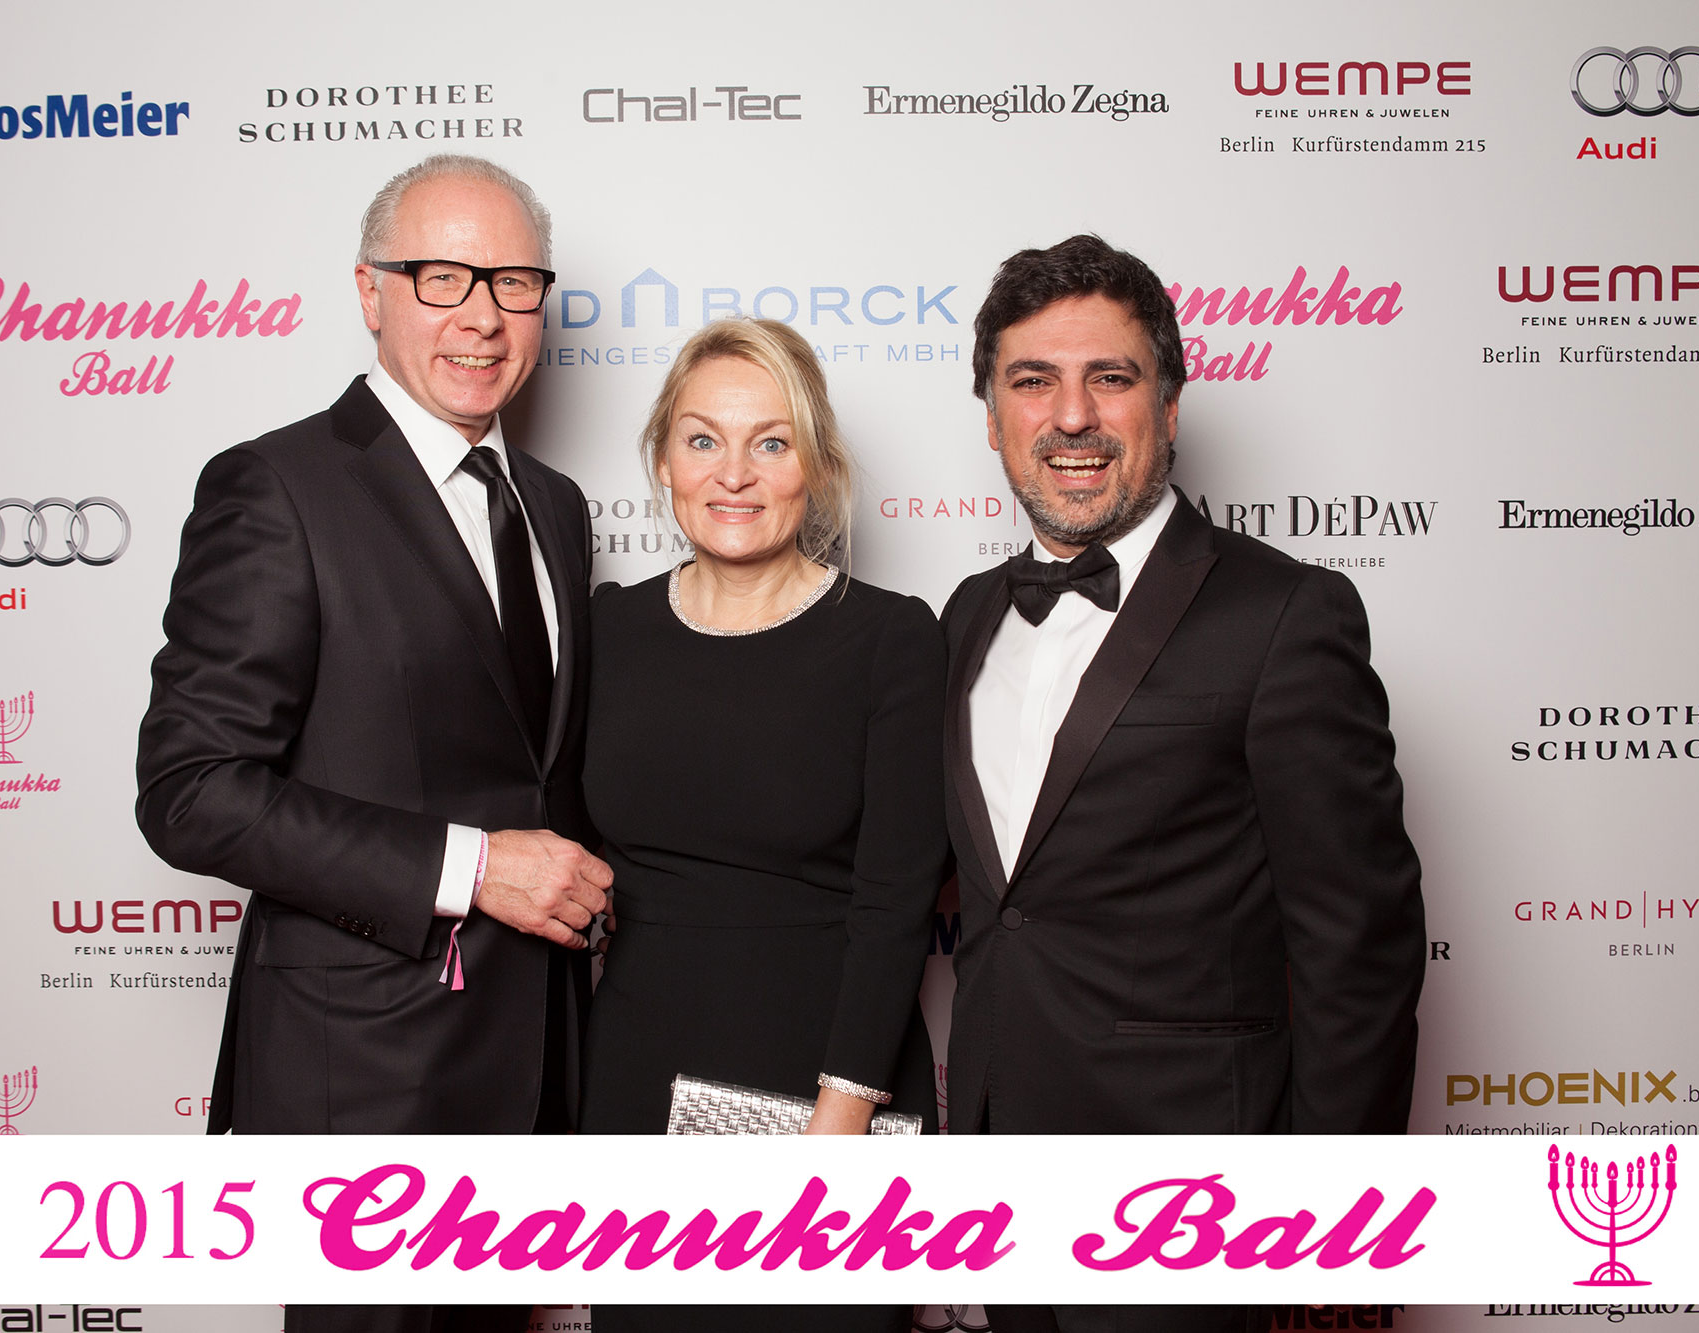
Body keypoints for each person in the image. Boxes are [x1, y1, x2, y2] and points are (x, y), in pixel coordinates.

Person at [135, 154, 609, 1333]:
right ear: (369, 291)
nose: (481, 315)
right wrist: (473, 867)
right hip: (364, 1080)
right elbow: (190, 789)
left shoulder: (553, 504)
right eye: (441, 275)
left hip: (531, 1071)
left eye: (513, 282)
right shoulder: (276, 487)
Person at [942, 236, 1426, 1333]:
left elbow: (1359, 942)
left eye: (1109, 378)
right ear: (992, 418)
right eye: (1033, 381)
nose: (1071, 416)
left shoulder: (1283, 614)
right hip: (1000, 1182)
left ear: (1167, 407)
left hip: (1197, 1194)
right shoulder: (967, 617)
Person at [578, 317, 946, 1333]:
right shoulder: (607, 629)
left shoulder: (890, 638)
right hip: (637, 1085)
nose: (732, 473)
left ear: (814, 466)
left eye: (770, 442)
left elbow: (895, 902)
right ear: (662, 459)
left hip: (828, 1092)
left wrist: (838, 1124)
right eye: (702, 439)